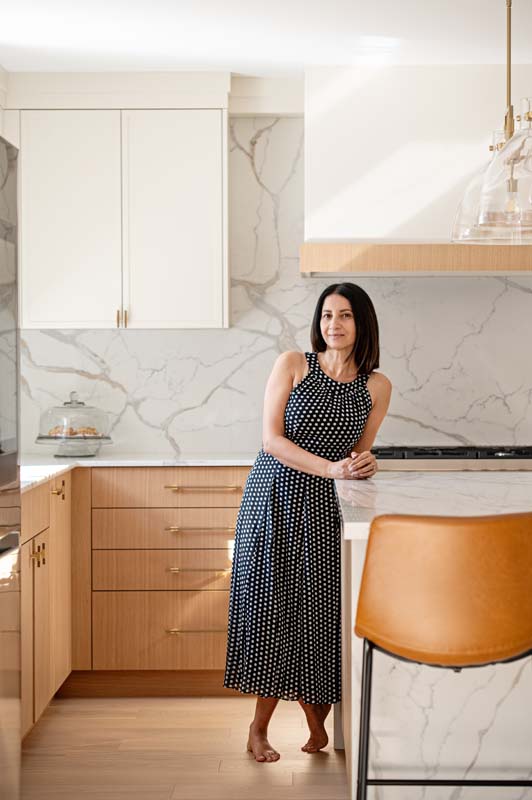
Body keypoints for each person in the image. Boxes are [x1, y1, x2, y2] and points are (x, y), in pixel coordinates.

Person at [223, 282, 392, 763]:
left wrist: (364, 463)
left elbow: (359, 448)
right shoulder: (294, 364)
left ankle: (317, 722)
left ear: (362, 324)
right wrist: (333, 467)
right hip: (274, 499)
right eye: (326, 316)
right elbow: (271, 440)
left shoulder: (376, 386)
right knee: (270, 611)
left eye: (344, 316)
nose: (333, 325)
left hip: (326, 508)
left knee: (317, 614)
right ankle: (258, 729)